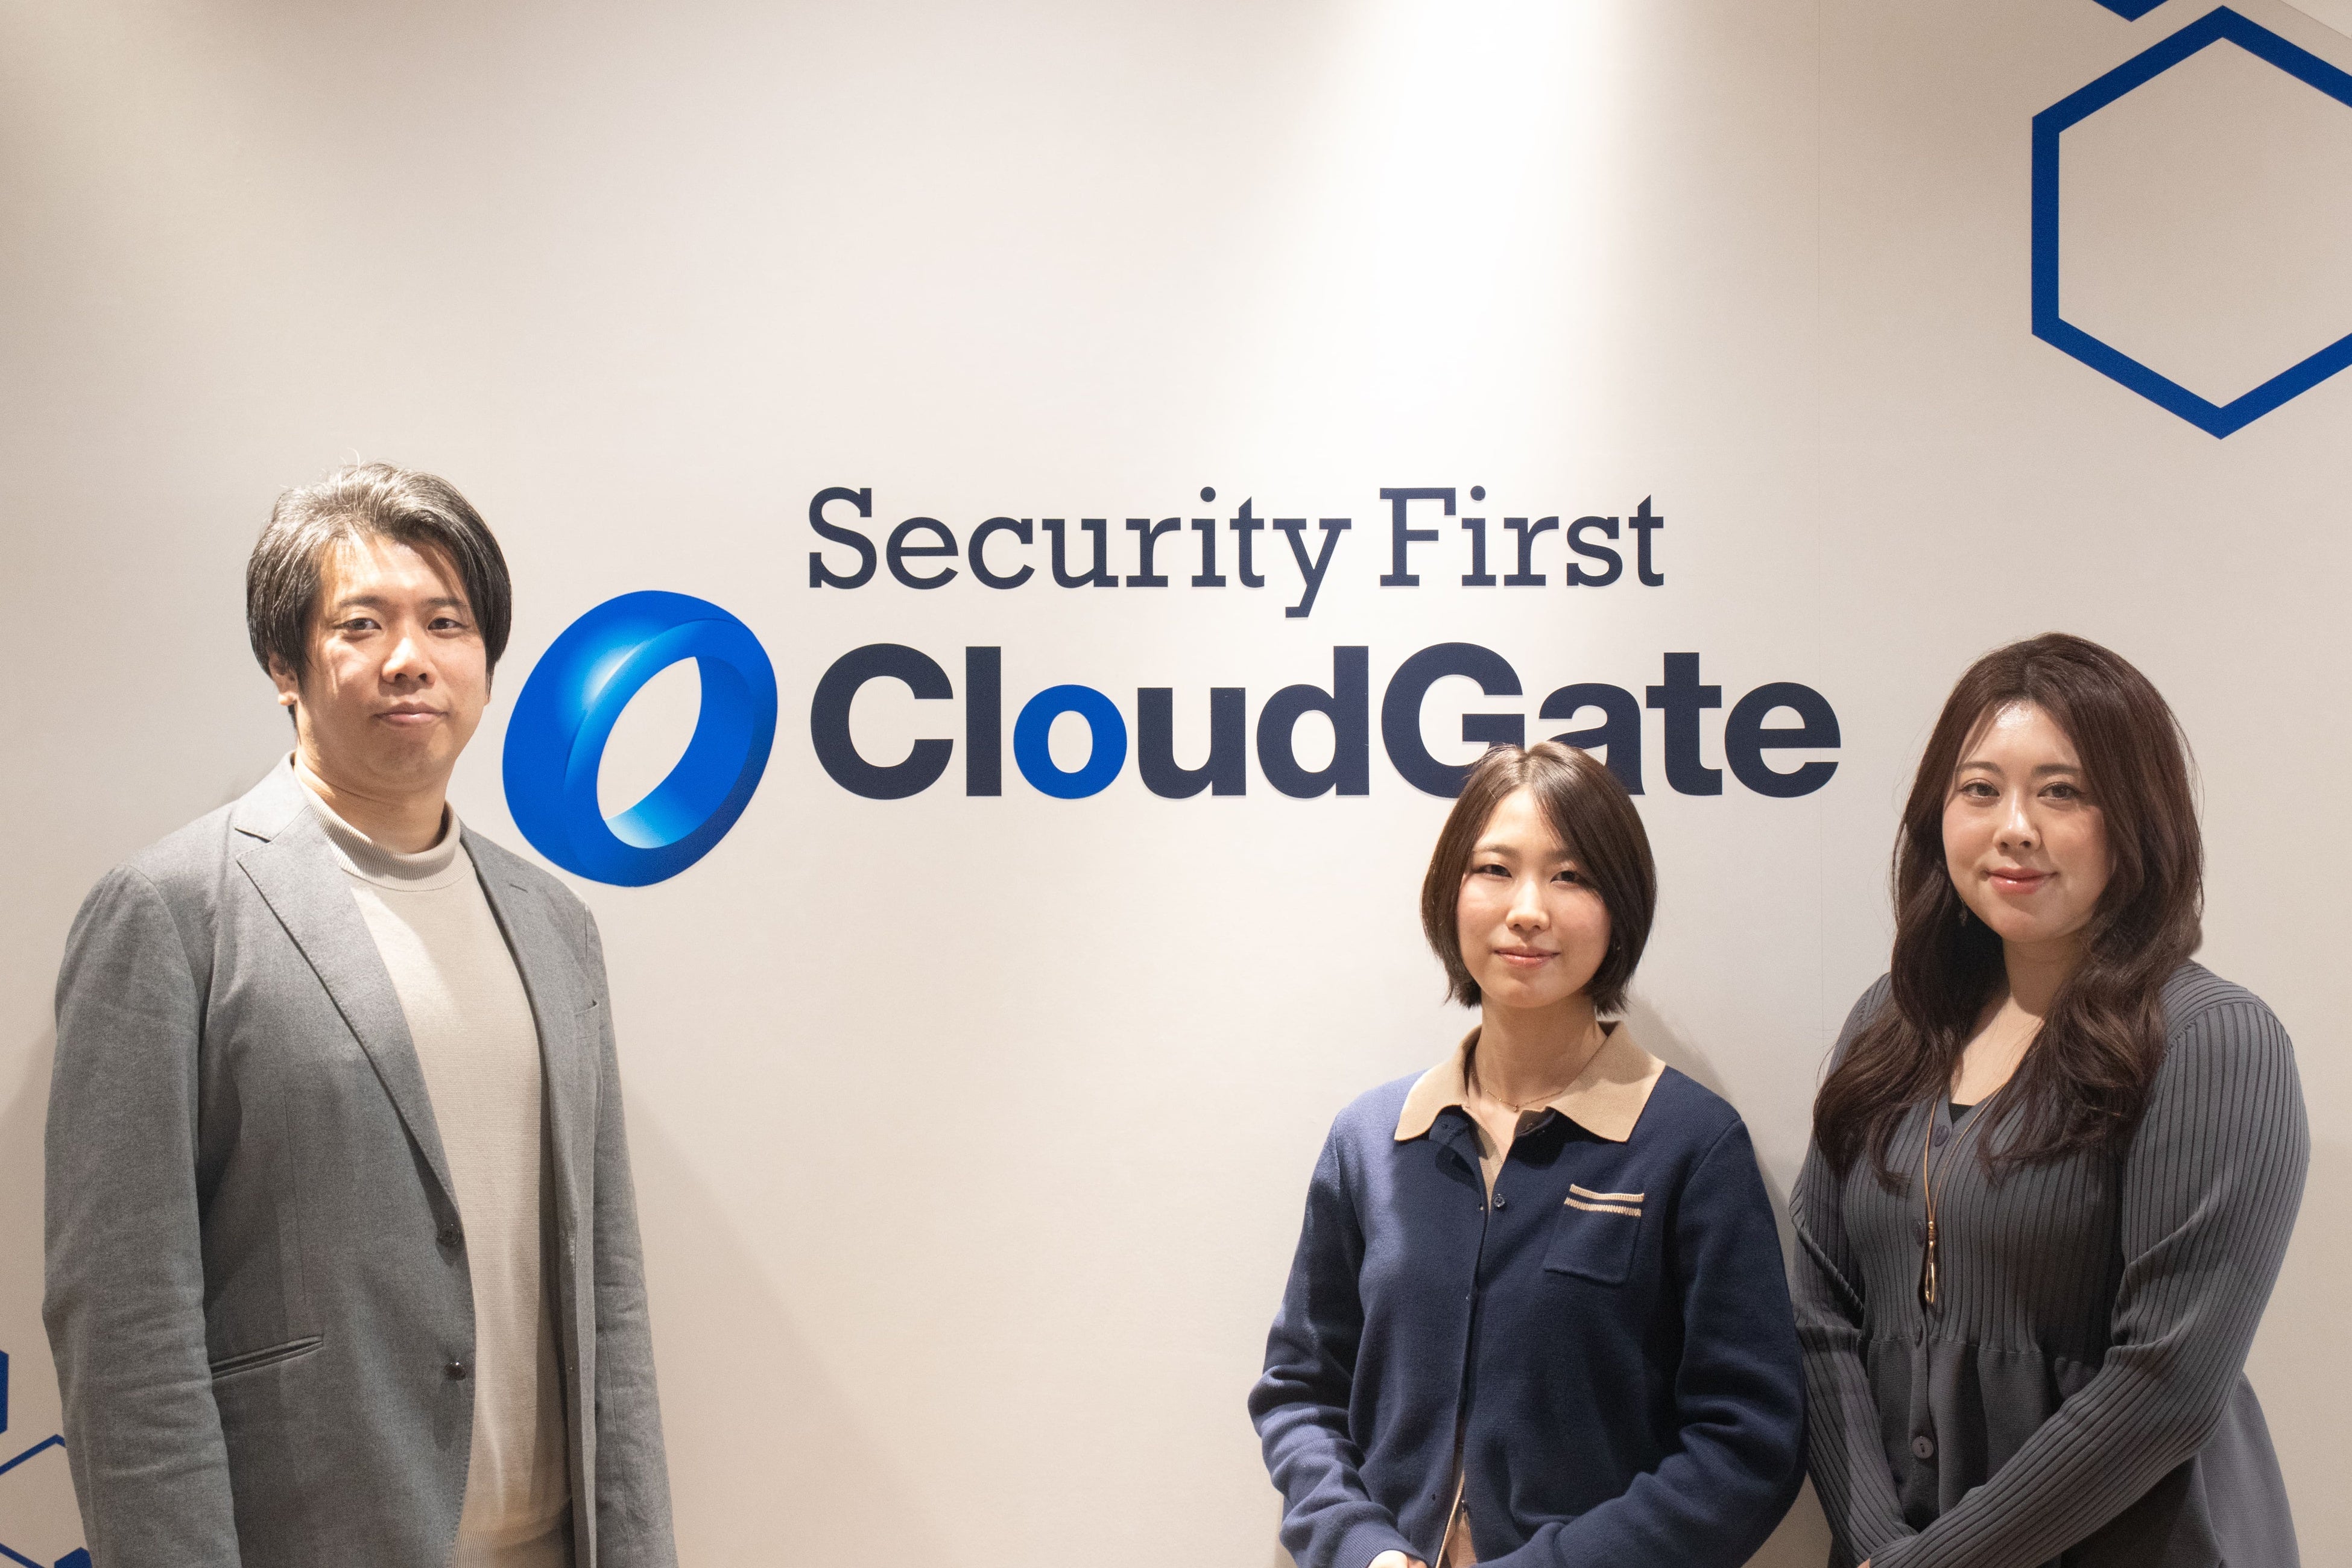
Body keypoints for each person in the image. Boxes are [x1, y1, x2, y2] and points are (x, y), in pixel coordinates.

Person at [45, 463, 677, 1568]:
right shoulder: (170, 913)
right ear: (284, 665)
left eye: (447, 622)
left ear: (487, 662)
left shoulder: (554, 924)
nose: (410, 658)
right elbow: (125, 1322)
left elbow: (608, 1291)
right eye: (362, 624)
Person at [1794, 633, 2307, 1568]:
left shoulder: (2211, 1041)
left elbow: (2168, 1385)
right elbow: (1819, 1311)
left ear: (2138, 818)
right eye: (1980, 790)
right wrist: (1875, 1541)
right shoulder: (1893, 1020)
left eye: (2063, 792)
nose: (2015, 827)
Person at [1250, 741, 1805, 1568]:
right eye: (1495, 870)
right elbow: (1300, 1392)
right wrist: (1363, 1549)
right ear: (1450, 893)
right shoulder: (1371, 1140)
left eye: (1571, 876)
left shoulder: (1691, 1145)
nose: (1528, 909)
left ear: (1620, 906)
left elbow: (1750, 1444)